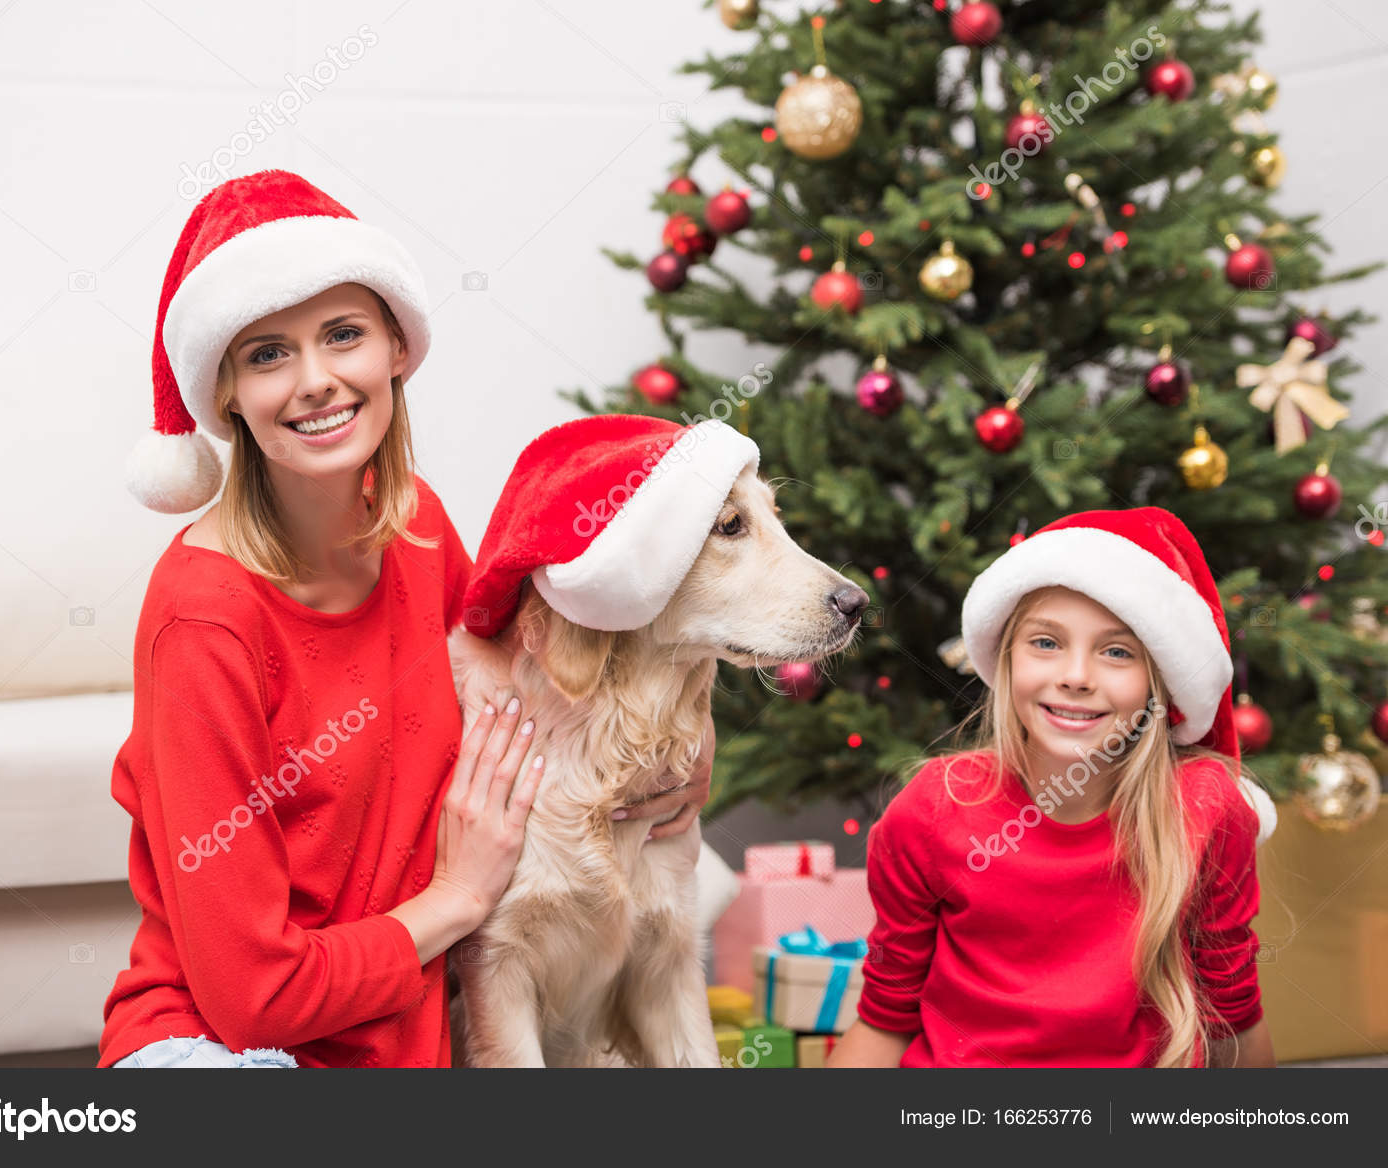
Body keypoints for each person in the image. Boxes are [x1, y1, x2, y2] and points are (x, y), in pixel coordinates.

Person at [99, 170, 708, 1069]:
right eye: (267, 353)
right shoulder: (204, 620)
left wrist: (671, 776)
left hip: (404, 1036)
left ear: (394, 346)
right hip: (226, 1050)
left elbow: (527, 705)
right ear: (225, 390)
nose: (315, 382)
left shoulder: (414, 522)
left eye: (342, 335)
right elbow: (252, 998)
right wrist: (459, 899)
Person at [827, 507, 1277, 1068]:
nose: (1076, 676)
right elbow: (886, 1016)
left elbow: (1232, 1016)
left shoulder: (1206, 808)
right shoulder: (932, 809)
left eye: (1117, 652)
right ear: (1007, 659)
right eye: (1046, 643)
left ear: (1159, 684)